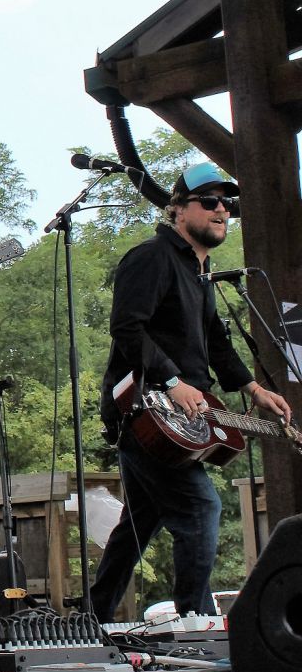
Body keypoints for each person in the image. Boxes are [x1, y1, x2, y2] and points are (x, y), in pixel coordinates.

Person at [89, 162, 290, 622]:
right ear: (178, 209)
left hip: (173, 417)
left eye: (227, 203)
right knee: (201, 507)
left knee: (138, 524)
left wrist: (253, 387)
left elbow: (215, 341)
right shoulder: (152, 257)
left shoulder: (200, 270)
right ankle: (195, 622)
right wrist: (173, 381)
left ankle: (92, 619)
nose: (222, 210)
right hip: (143, 410)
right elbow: (127, 327)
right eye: (210, 201)